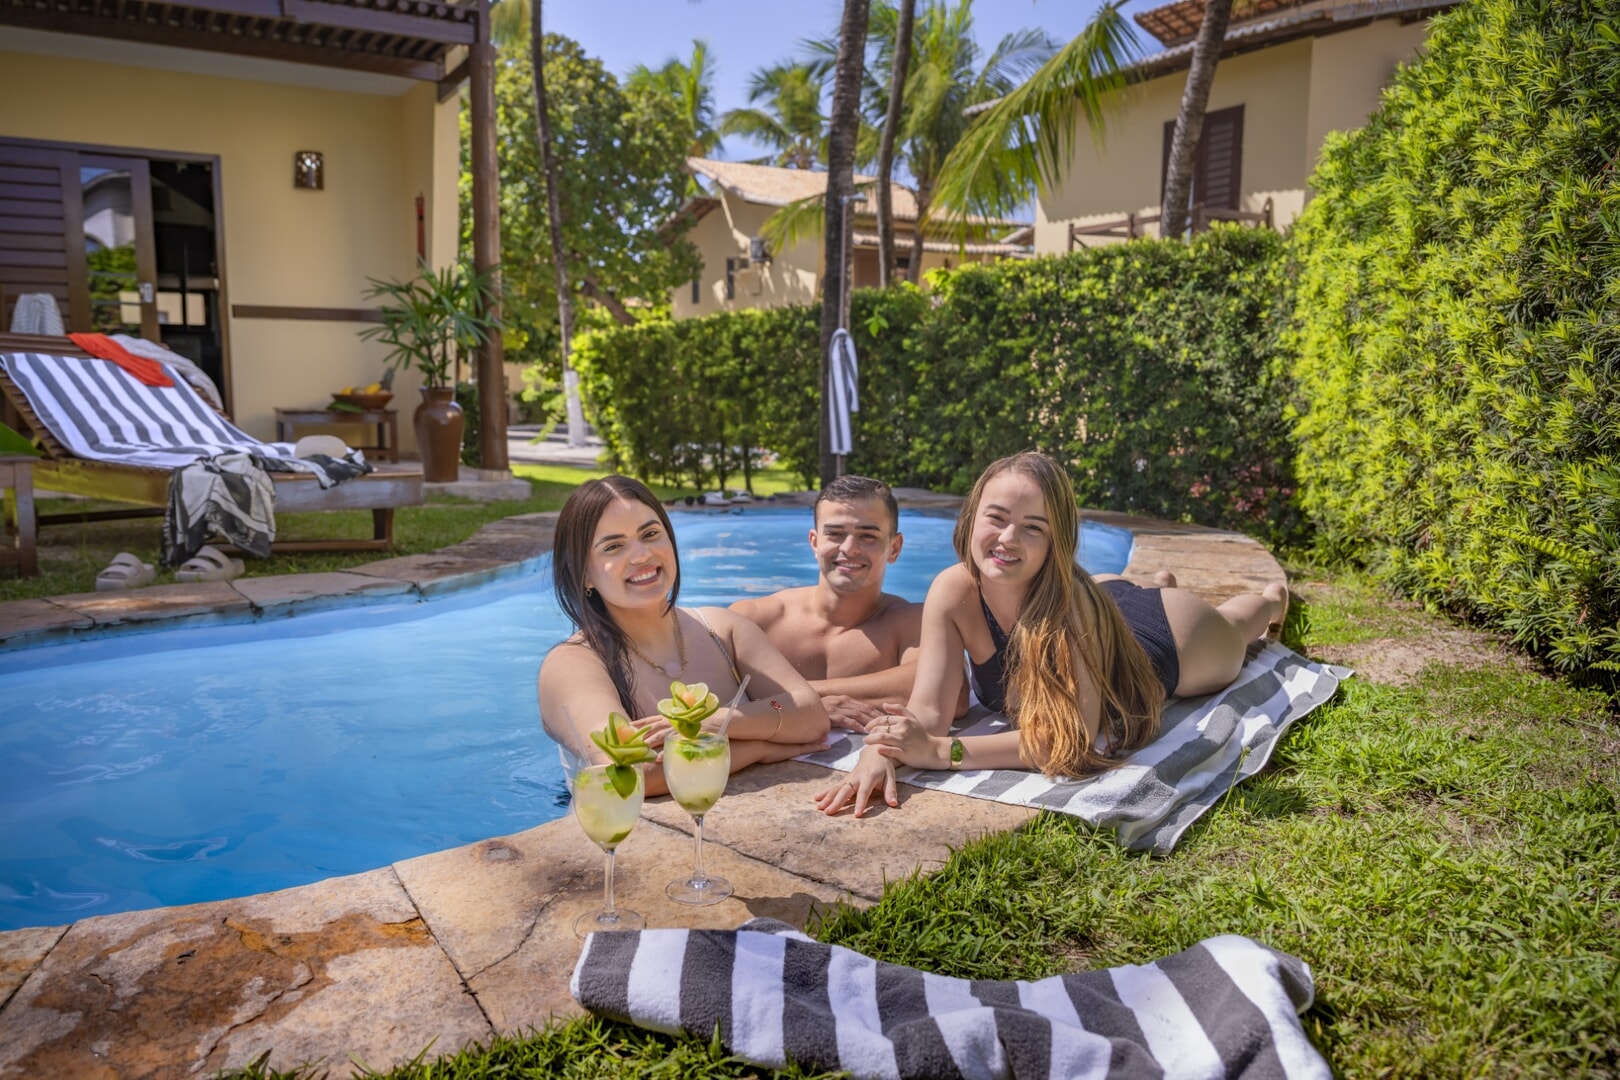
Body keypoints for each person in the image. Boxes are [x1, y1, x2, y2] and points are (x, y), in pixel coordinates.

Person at [815, 451, 1287, 817]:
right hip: (1103, 601)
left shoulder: (1070, 608)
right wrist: (884, 750)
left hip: (1171, 637)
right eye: (996, 518)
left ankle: (1269, 599)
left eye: (1033, 528)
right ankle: (1152, 582)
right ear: (972, 517)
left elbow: (1067, 741)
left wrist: (942, 752)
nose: (1007, 539)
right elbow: (930, 710)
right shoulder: (952, 590)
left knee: (1238, 627)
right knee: (1112, 592)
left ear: (1055, 540)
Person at [538, 476, 830, 796]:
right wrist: (760, 748)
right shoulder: (572, 665)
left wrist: (711, 723)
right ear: (583, 575)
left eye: (650, 534)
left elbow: (809, 714)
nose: (641, 556)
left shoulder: (723, 630)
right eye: (613, 547)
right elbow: (630, 773)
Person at [731, 475, 965, 732]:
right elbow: (707, 696)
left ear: (895, 548)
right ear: (815, 542)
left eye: (867, 536)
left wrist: (801, 699)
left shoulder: (912, 623)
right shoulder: (755, 620)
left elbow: (954, 697)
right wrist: (800, 705)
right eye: (835, 534)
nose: (850, 548)